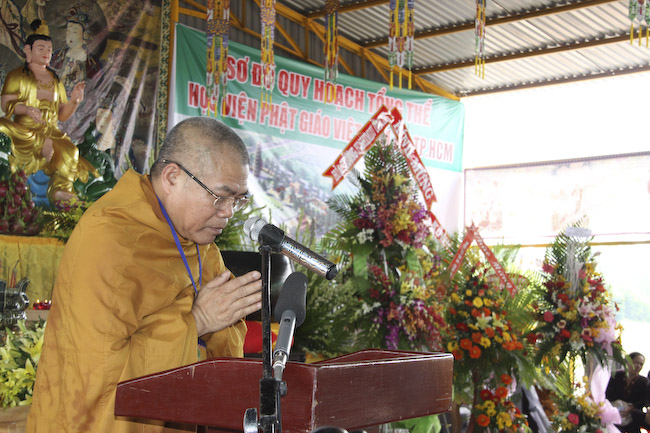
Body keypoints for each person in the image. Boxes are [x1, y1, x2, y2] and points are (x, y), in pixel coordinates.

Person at [26, 116, 263, 433]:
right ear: (172, 177)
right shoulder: (110, 240)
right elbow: (100, 377)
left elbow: (227, 343)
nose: (229, 212)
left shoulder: (199, 246)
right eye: (220, 196)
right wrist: (197, 322)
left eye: (239, 199)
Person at [0, 19, 97, 204]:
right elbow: (6, 105)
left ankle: (61, 190)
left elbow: (62, 115)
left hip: (51, 132)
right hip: (25, 131)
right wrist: (26, 109)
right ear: (28, 51)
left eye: (49, 49)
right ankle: (41, 145)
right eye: (41, 48)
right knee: (1, 126)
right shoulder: (17, 75)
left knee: (71, 151)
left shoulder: (55, 80)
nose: (46, 53)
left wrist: (75, 101)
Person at [606, 352, 649, 433]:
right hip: (614, 409)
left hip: (633, 414)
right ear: (627, 362)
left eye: (641, 364)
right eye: (636, 363)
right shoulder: (616, 376)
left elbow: (644, 401)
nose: (638, 366)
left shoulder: (644, 382)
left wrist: (631, 407)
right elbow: (608, 395)